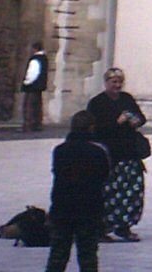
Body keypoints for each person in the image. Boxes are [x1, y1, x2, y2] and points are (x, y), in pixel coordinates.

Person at [44, 110, 110, 272]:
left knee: (57, 255)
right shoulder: (98, 151)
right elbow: (105, 175)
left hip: (62, 207)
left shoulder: (60, 150)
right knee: (88, 256)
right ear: (91, 128)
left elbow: (58, 173)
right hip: (89, 208)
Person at [86, 67, 147, 241]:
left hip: (129, 153)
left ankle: (124, 226)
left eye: (120, 82)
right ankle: (102, 228)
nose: (117, 85)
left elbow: (141, 118)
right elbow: (95, 128)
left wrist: (136, 120)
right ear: (106, 83)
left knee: (131, 192)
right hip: (109, 155)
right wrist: (116, 122)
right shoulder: (97, 103)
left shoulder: (127, 99)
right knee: (109, 192)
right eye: (114, 82)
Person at [23, 41, 50, 132]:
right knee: (38, 106)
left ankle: (29, 124)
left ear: (35, 49)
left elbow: (32, 73)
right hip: (39, 86)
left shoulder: (35, 59)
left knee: (29, 106)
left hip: (32, 86)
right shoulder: (44, 59)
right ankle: (37, 124)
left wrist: (26, 82)